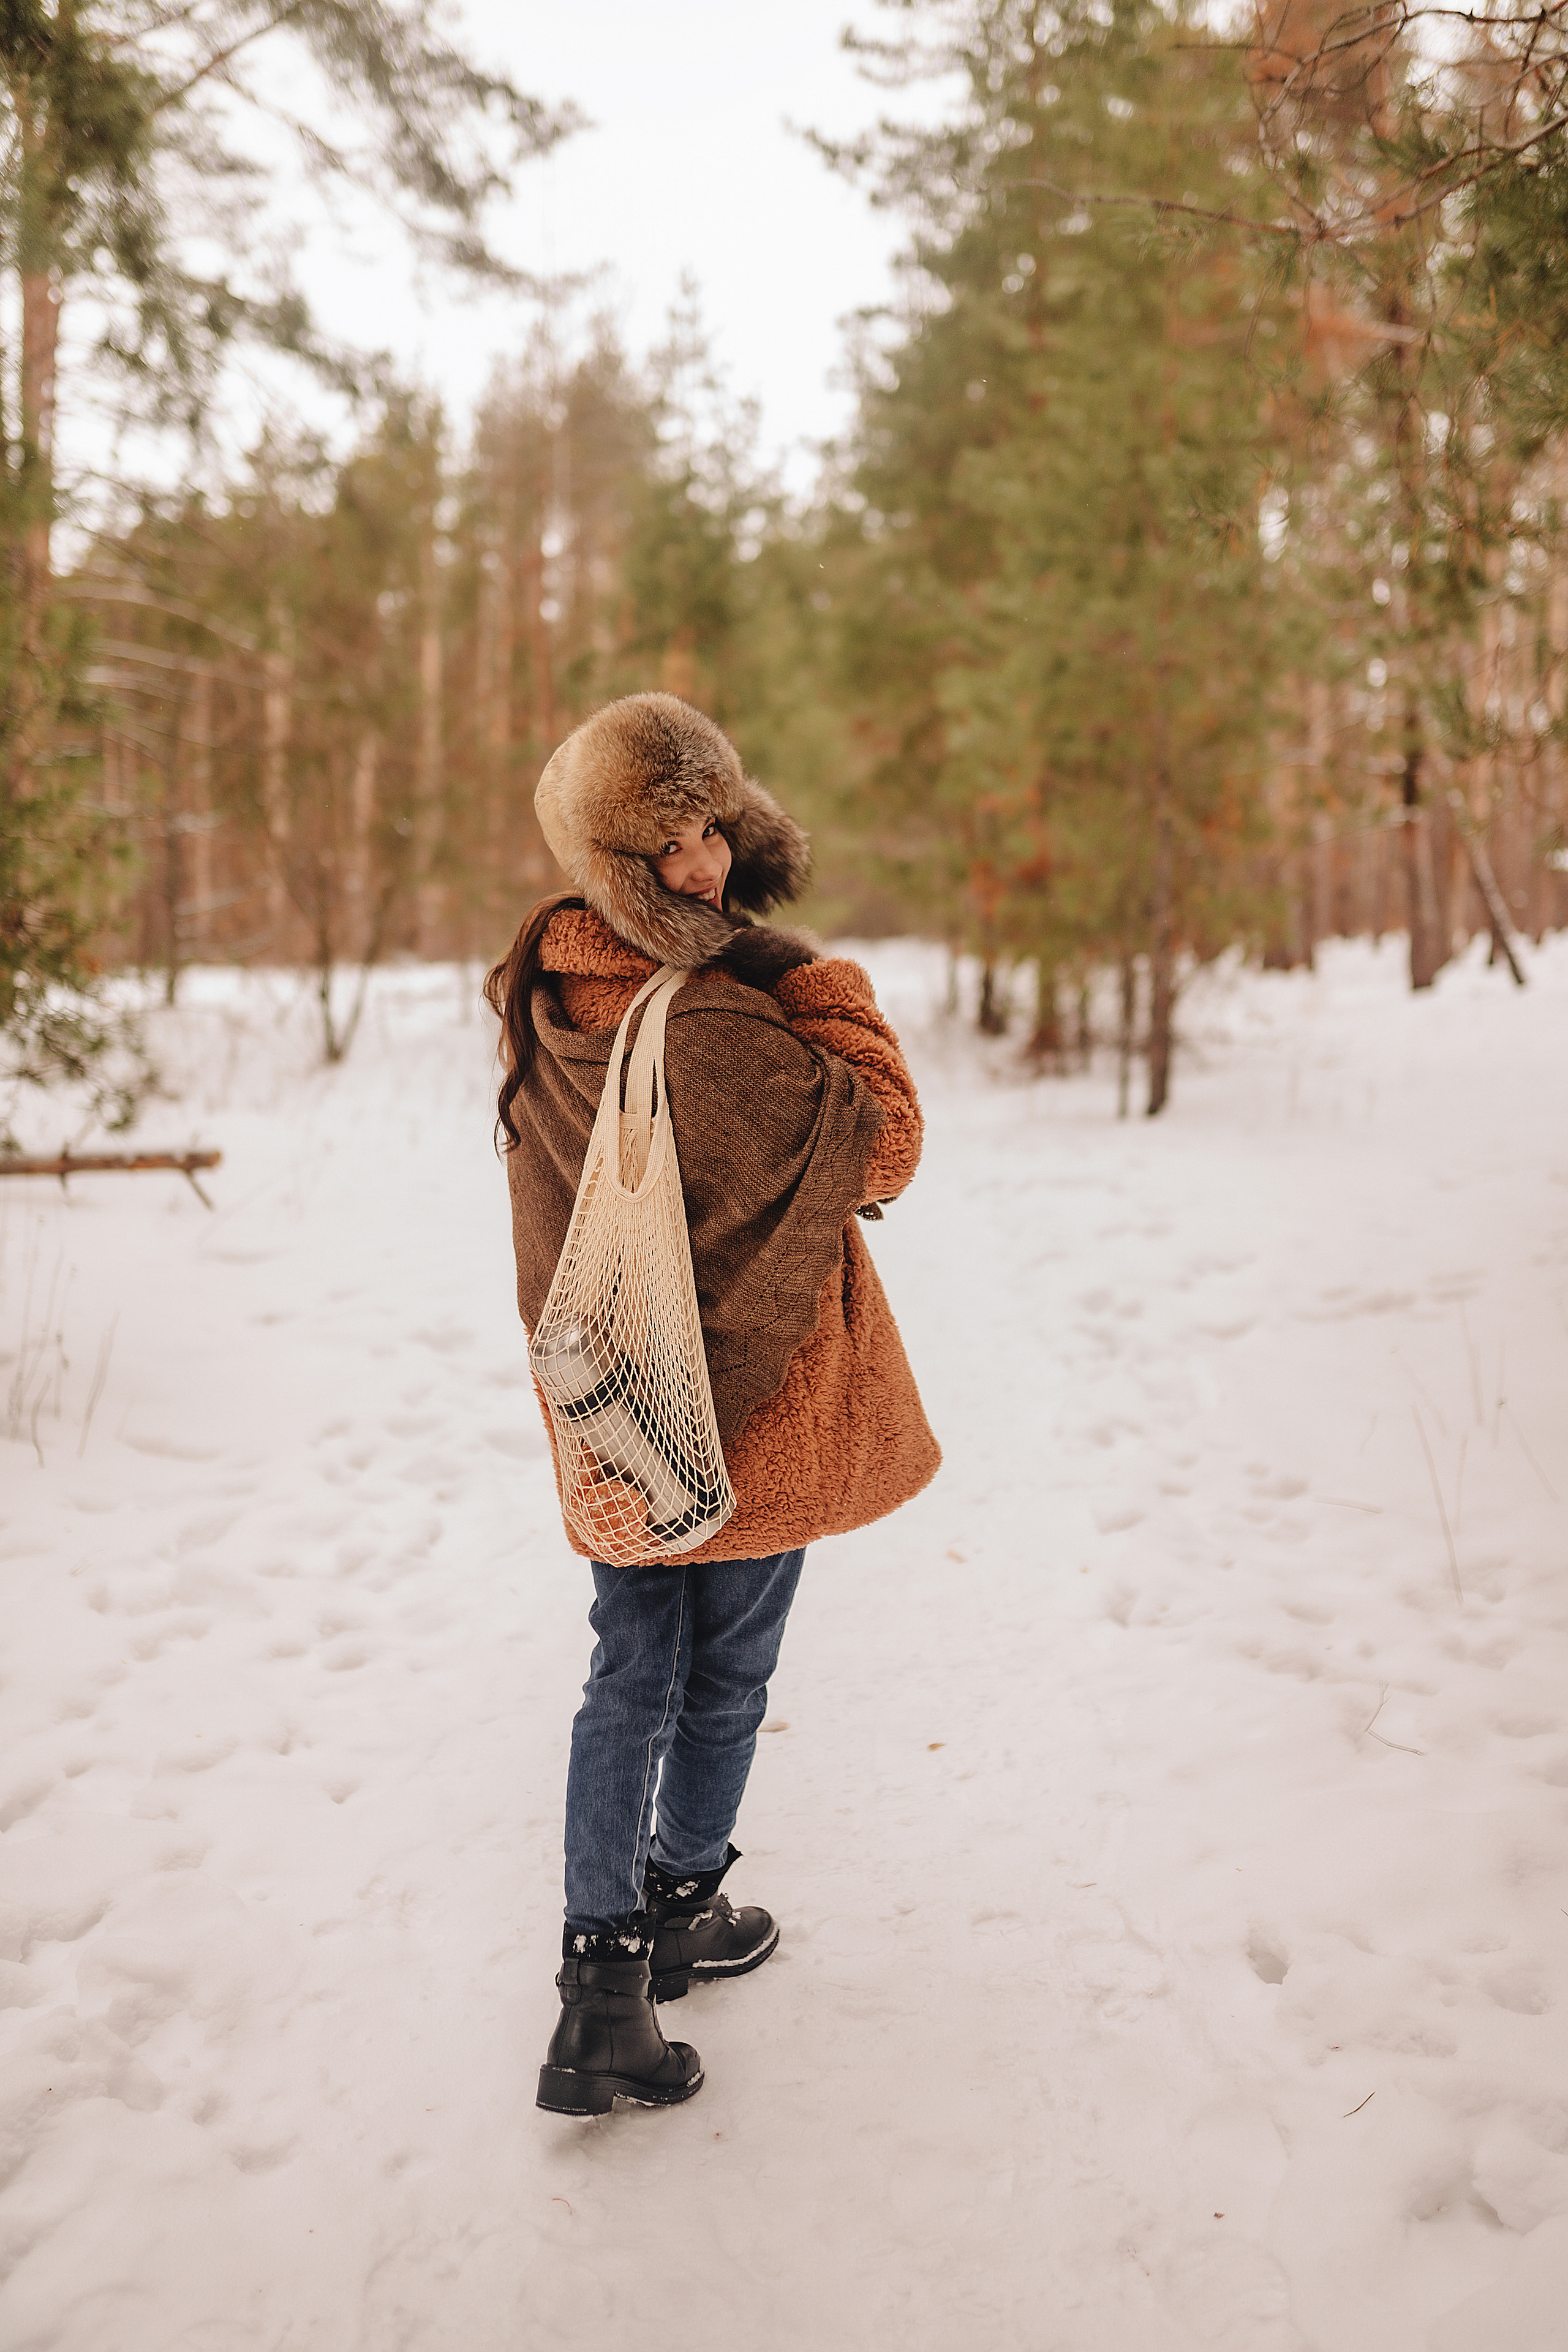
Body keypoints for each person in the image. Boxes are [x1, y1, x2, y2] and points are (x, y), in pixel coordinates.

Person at [484, 692, 940, 2117]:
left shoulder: (550, 988)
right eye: (670, 842)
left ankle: (596, 1984)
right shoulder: (714, 1023)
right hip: (742, 1398)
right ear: (614, 863)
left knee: (628, 1666)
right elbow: (884, 1150)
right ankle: (675, 1909)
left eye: (711, 823)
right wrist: (819, 981)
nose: (705, 860)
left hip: (616, 1398)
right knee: (722, 1672)